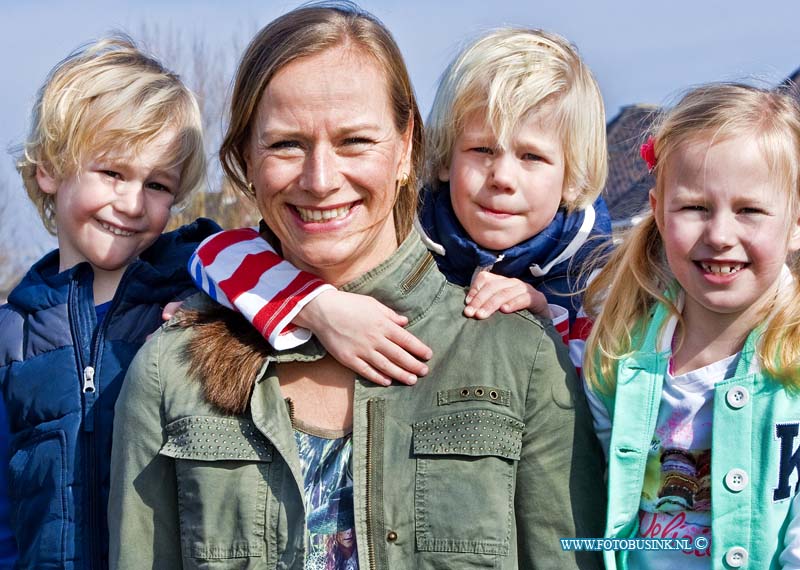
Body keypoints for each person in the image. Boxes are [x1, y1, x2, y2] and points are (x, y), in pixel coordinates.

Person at [108, 4, 606, 569]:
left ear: (406, 148)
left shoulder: (520, 353)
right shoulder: (170, 369)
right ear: (246, 158)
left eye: (354, 141)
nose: (320, 181)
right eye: (286, 145)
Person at [186, 27, 612, 382]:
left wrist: (543, 317)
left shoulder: (598, 274)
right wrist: (319, 307)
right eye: (481, 150)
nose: (502, 177)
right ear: (444, 158)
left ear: (572, 177)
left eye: (531, 157)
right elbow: (216, 253)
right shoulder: (406, 226)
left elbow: (600, 409)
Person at [0, 37, 219, 568]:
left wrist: (322, 306)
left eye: (158, 184)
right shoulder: (11, 338)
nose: (133, 203)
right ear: (51, 168)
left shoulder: (200, 292)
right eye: (113, 173)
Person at [582, 83, 800, 569]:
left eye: (749, 210)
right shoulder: (619, 351)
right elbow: (597, 495)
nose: (720, 235)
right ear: (657, 210)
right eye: (695, 208)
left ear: (795, 221)